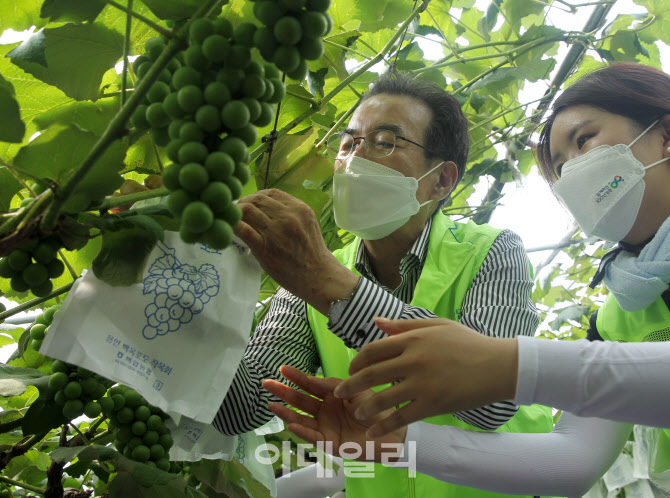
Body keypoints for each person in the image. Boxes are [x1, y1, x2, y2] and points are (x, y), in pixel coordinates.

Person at [263, 62, 670, 496]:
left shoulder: (490, 250)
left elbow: (495, 406)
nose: (571, 173)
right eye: (559, 166)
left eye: (584, 140)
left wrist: (507, 365)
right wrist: (397, 443)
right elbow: (571, 461)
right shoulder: (622, 315)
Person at [213, 72, 555, 498]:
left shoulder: (492, 251)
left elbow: (494, 402)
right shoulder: (314, 278)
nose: (355, 159)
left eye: (385, 141)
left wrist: (324, 281)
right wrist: (197, 301)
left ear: (442, 181)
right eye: (349, 142)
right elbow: (242, 409)